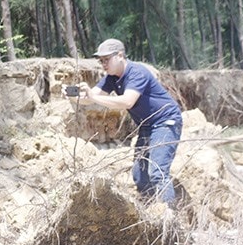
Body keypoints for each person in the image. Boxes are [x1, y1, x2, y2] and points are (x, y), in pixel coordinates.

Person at [69, 38, 183, 207]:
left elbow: (127, 102)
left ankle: (170, 219)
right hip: (147, 125)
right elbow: (90, 98)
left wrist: (93, 97)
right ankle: (151, 211)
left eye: (106, 59)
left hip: (165, 121)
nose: (103, 64)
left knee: (158, 172)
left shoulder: (137, 72)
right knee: (140, 175)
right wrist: (74, 93)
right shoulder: (112, 78)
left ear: (120, 55)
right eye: (101, 60)